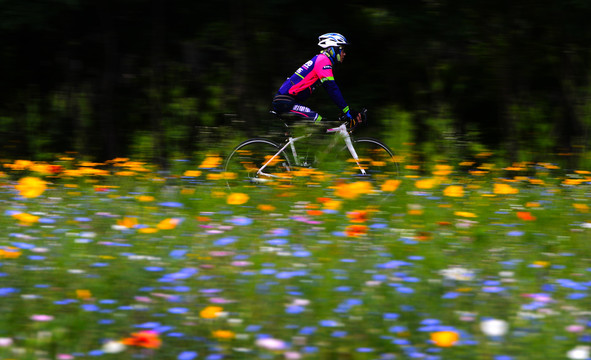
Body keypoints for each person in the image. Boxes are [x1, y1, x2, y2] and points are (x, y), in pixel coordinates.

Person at [272, 32, 362, 130]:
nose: (344, 53)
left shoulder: (320, 60)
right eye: (342, 50)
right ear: (334, 49)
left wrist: (343, 110)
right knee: (320, 123)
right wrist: (347, 111)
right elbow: (331, 88)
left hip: (287, 101)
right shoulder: (323, 60)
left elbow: (331, 91)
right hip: (285, 102)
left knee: (315, 128)